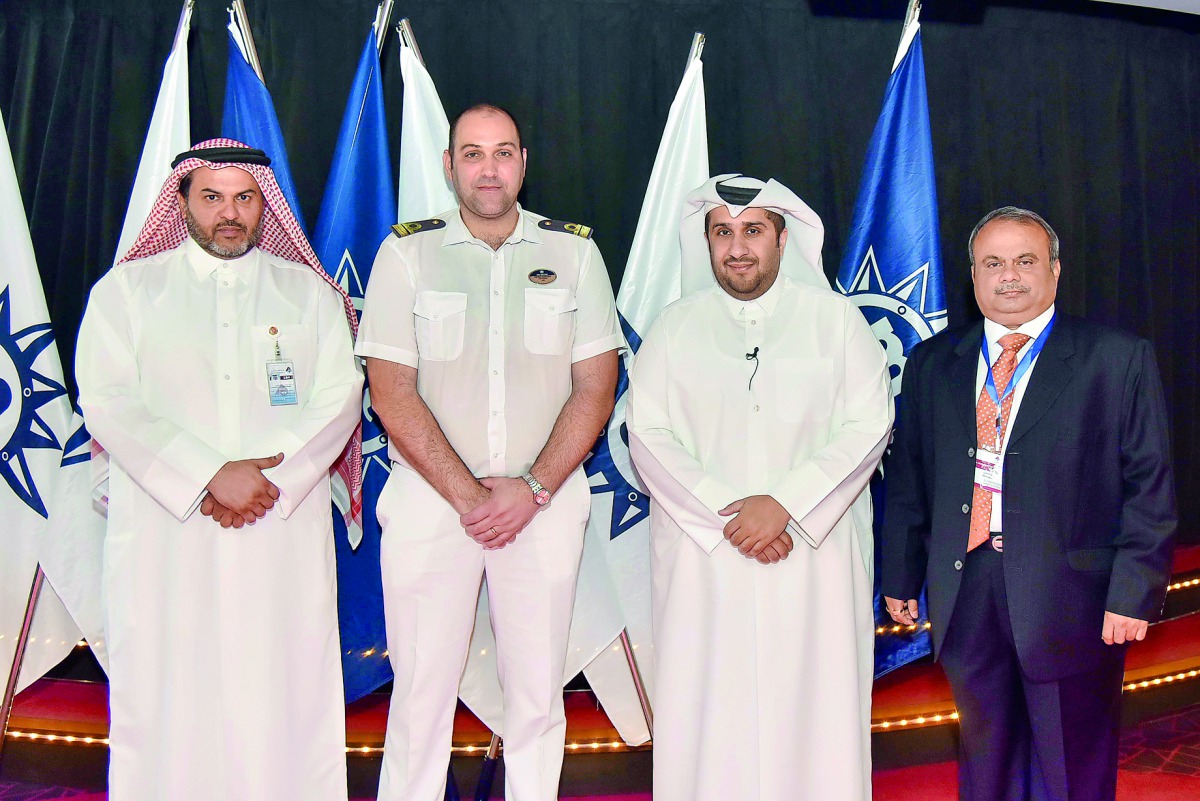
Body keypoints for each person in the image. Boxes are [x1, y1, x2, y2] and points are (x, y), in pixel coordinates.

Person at [75, 138, 362, 801]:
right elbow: (109, 402)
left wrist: (265, 480)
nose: (228, 213)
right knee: (169, 692)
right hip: (166, 538)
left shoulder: (309, 296)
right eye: (211, 197)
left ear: (264, 202)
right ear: (181, 201)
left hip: (276, 534)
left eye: (243, 197)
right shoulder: (127, 292)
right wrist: (208, 474)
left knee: (281, 694)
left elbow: (340, 398)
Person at [355, 103, 623, 801]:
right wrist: (472, 495)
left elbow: (596, 387)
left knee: (537, 695)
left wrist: (530, 487)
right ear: (449, 166)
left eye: (503, 152)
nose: (488, 168)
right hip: (430, 501)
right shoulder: (405, 252)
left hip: (544, 503)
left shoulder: (575, 253)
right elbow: (390, 388)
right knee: (419, 695)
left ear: (524, 163)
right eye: (472, 153)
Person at [882, 206, 1178, 801]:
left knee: (1071, 764)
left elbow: (1149, 487)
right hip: (967, 592)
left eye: (1025, 261)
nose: (1009, 276)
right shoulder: (935, 362)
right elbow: (911, 478)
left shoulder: (1115, 359)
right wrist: (901, 574)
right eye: (992, 263)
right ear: (972, 276)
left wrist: (1133, 592)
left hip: (1075, 598)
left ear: (1056, 270)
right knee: (985, 759)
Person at [626, 174, 894, 801]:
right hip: (706, 561)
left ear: (781, 239)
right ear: (708, 242)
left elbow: (870, 423)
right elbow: (648, 436)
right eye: (723, 232)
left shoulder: (837, 322)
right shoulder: (672, 328)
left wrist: (786, 507)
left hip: (812, 558)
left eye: (752, 231)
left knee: (816, 712)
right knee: (706, 711)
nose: (737, 246)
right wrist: (734, 517)